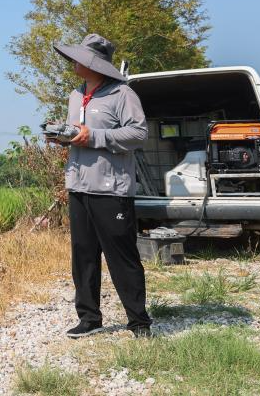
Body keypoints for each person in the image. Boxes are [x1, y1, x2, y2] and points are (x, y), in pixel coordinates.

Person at [50, 33, 152, 339]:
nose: (74, 62)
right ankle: (89, 318)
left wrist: (94, 136)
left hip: (111, 189)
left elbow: (138, 134)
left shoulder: (122, 94)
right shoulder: (74, 94)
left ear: (95, 63)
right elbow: (79, 133)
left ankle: (139, 321)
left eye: (81, 58)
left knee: (122, 256)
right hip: (78, 186)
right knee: (83, 254)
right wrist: (61, 136)